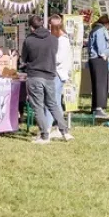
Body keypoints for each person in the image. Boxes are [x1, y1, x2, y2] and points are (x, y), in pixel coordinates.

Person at [21, 15, 71, 143]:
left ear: (31, 27)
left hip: (35, 75)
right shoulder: (54, 39)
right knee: (53, 104)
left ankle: (44, 135)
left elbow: (24, 59)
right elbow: (54, 55)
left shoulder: (28, 40)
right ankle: (65, 131)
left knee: (38, 106)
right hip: (49, 75)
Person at [46, 15, 72, 139]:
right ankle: (59, 128)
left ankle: (48, 128)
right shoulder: (62, 39)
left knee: (52, 102)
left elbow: (59, 58)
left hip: (57, 73)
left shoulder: (62, 41)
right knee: (55, 102)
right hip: (58, 73)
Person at [88, 15, 109, 119]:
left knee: (95, 83)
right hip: (99, 59)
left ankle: (94, 107)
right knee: (101, 84)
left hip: (92, 59)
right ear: (106, 23)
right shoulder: (101, 30)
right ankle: (99, 108)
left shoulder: (94, 29)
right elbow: (101, 46)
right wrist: (104, 55)